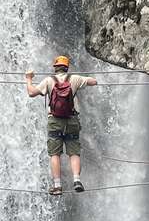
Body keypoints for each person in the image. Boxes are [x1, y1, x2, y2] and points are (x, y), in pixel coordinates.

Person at [25, 56, 97, 195]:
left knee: (55, 154)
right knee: (74, 151)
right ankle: (77, 180)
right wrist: (89, 79)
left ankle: (57, 186)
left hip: (55, 121)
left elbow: (31, 93)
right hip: (72, 120)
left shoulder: (48, 80)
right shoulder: (74, 79)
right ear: (67, 67)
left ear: (55, 67)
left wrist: (29, 79)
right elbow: (93, 81)